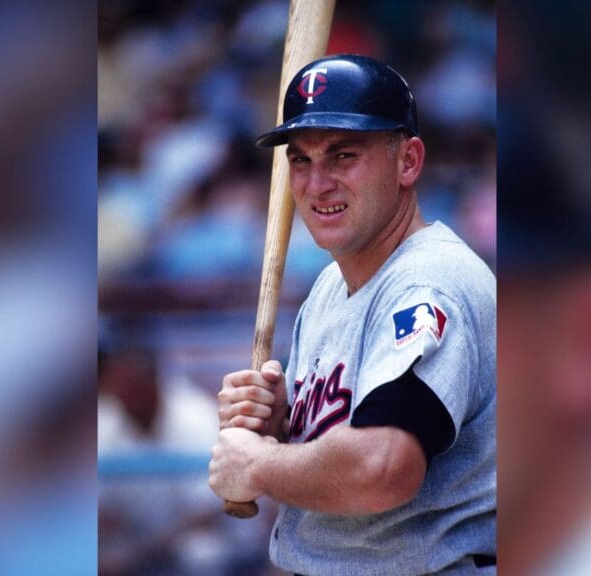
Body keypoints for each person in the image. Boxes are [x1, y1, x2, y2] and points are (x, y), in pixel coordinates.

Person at [208, 54, 496, 575]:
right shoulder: (329, 286)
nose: (317, 184)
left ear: (408, 161)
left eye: (342, 155)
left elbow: (383, 467)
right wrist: (280, 425)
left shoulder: (428, 282)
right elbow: (339, 460)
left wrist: (259, 463)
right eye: (301, 160)